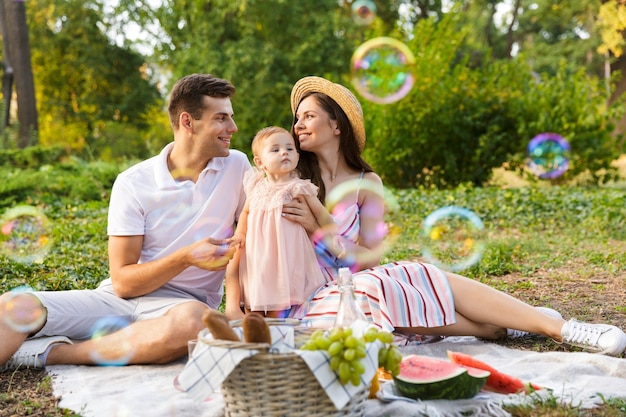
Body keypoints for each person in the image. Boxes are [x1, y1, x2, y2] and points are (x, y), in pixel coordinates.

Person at [280, 75, 626, 356]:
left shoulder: (367, 182)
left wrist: (320, 229)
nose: (298, 125)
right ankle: (517, 321)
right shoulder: (292, 182)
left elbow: (370, 259)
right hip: (322, 299)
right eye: (297, 117)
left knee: (409, 272)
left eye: (308, 115)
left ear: (337, 124)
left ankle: (563, 329)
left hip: (364, 282)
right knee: (478, 325)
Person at [0, 73, 251, 370]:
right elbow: (123, 283)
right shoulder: (133, 182)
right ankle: (121, 342)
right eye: (221, 118)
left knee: (196, 323)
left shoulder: (236, 165)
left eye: (230, 118)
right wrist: (186, 256)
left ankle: (53, 355)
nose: (232, 128)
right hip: (117, 301)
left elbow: (255, 236)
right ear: (187, 122)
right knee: (14, 306)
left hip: (183, 307)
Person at [231, 126, 328, 317]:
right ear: (260, 163)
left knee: (287, 291)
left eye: (290, 149)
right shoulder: (256, 186)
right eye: (275, 150)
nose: (284, 152)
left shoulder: (299, 187)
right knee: (257, 291)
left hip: (289, 253)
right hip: (258, 254)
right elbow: (245, 212)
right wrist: (240, 233)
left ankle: (288, 321)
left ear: (297, 157)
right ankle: (256, 326)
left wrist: (329, 226)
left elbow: (321, 214)